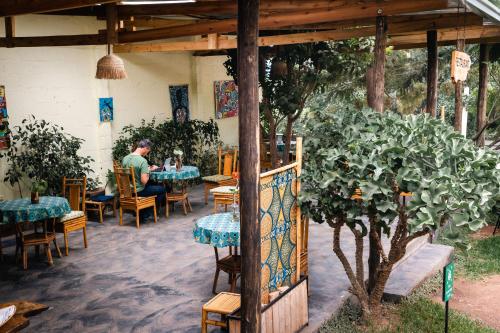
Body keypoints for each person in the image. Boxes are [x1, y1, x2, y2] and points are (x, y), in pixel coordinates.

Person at [122, 139, 166, 221]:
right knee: (162, 189)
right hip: (139, 190)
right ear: (145, 148)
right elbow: (144, 181)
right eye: (148, 150)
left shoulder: (125, 158)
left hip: (128, 190)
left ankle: (143, 211)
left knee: (152, 186)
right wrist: (148, 171)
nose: (147, 153)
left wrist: (146, 169)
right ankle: (150, 213)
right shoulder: (142, 161)